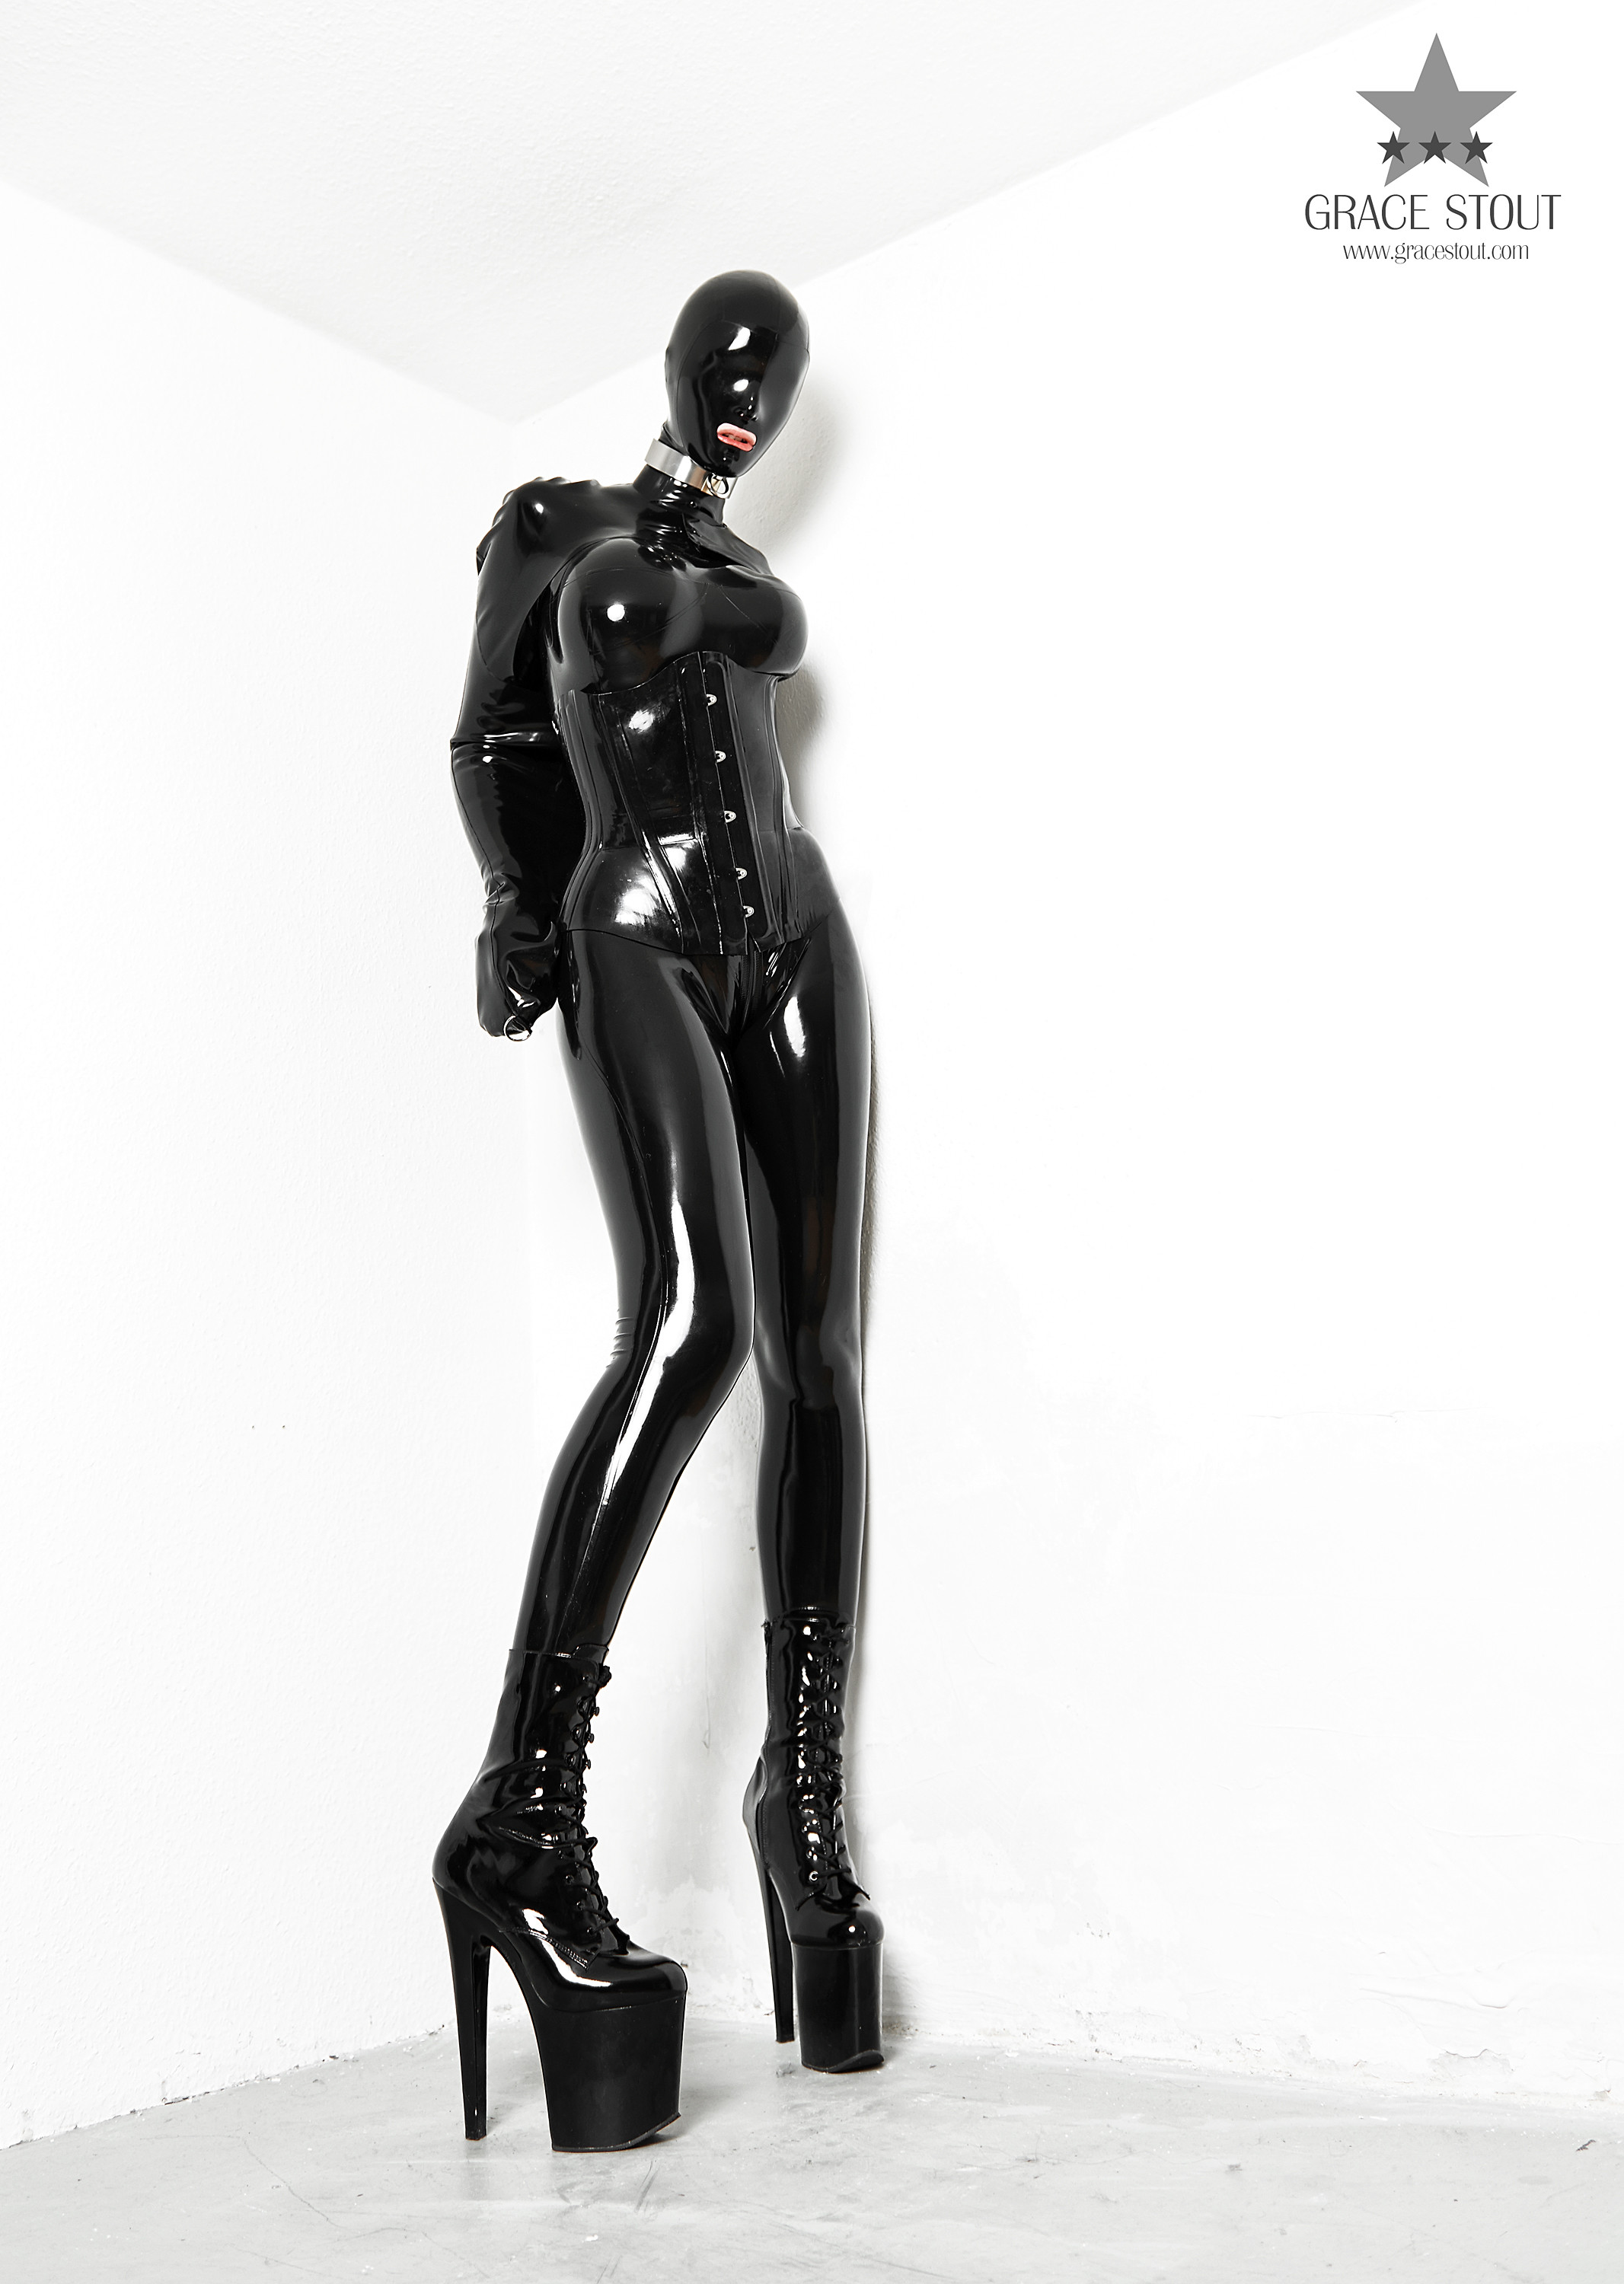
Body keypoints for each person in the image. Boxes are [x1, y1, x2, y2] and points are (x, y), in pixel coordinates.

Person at [432, 273, 882, 2154]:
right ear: (681, 369)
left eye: (774, 383)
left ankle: (804, 1813)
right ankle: (521, 1813)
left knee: (818, 1358)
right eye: (729, 365)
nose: (747, 399)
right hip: (633, 917)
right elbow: (491, 739)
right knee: (691, 1328)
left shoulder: (738, 562)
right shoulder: (556, 524)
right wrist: (514, 907)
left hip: (791, 926)